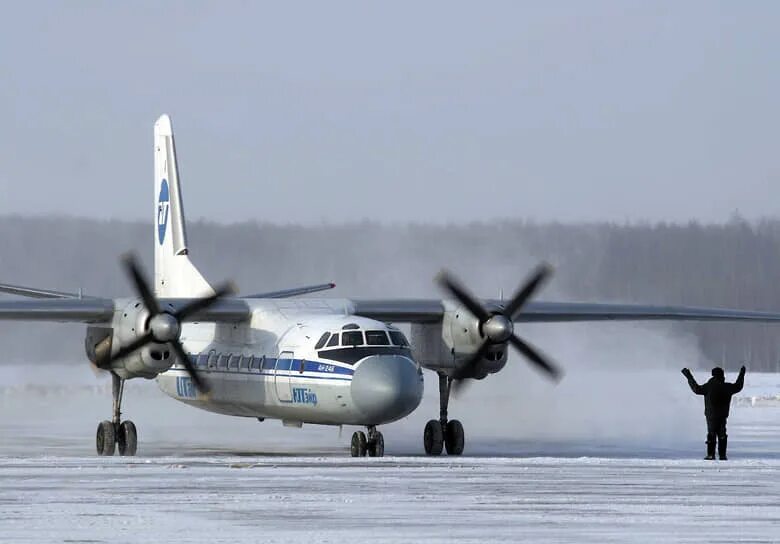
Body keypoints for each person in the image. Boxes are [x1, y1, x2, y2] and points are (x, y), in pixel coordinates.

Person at [681, 365, 745, 460]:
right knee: (722, 434)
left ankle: (711, 455)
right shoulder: (727, 387)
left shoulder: (708, 386)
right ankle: (722, 455)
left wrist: (689, 376)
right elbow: (738, 386)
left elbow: (696, 389)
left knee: (711, 434)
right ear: (722, 376)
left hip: (710, 416)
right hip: (723, 415)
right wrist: (742, 374)